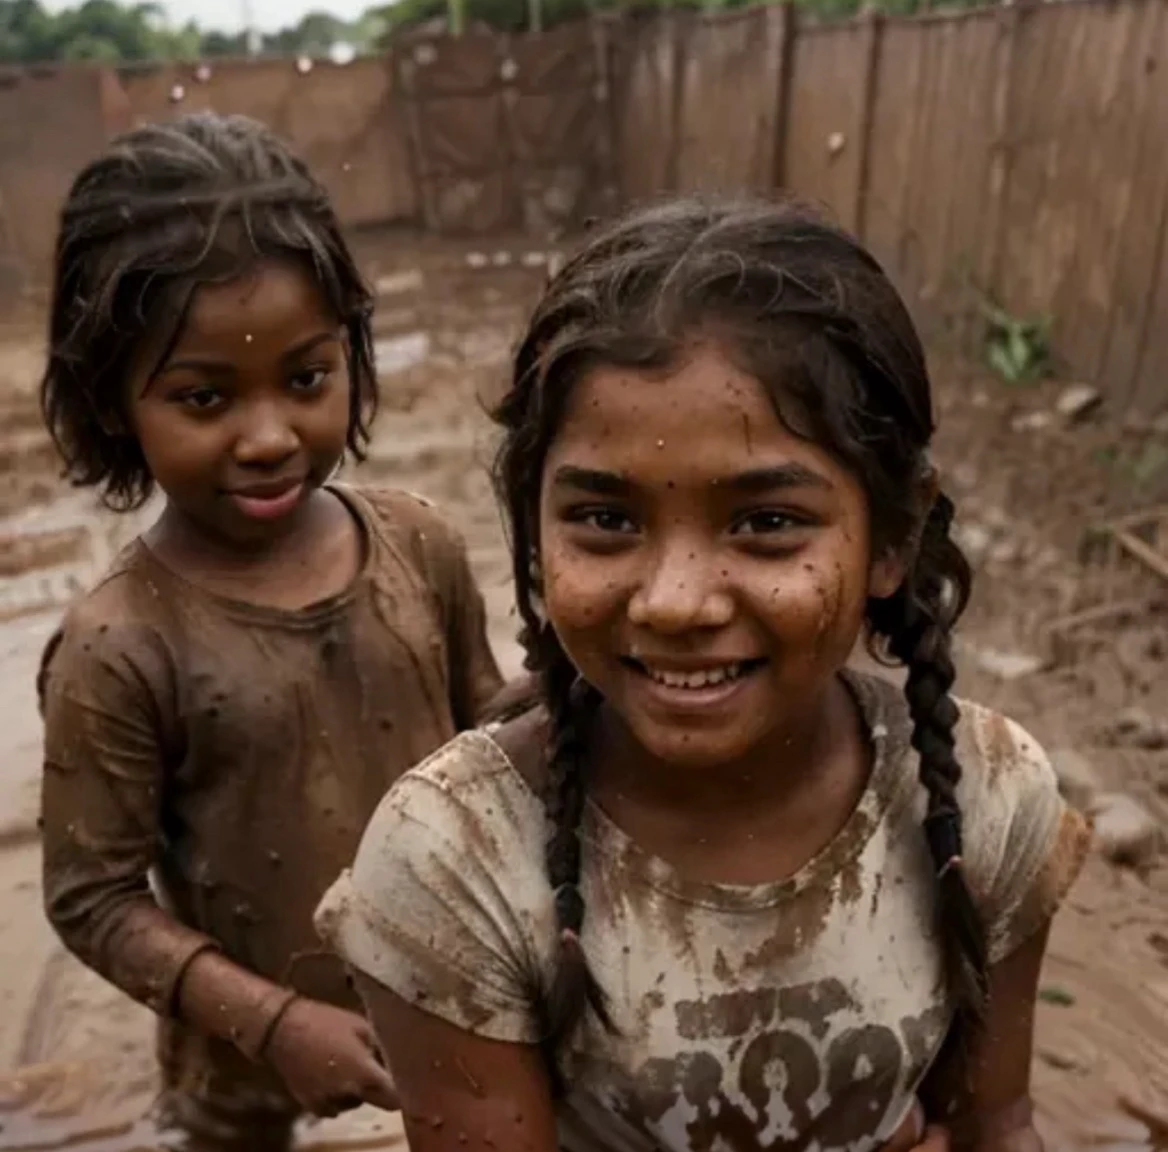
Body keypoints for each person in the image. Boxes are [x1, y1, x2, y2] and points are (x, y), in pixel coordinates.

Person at [315, 196, 1092, 1152]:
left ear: (894, 533)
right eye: (606, 518)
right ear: (531, 526)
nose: (675, 602)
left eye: (766, 522)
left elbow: (996, 1123)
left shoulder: (985, 797)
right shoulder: (457, 860)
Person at [37, 111, 503, 1151]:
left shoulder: (418, 547)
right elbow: (91, 896)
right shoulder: (121, 643)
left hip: (454, 1003)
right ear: (115, 403)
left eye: (306, 378)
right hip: (238, 1070)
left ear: (353, 351)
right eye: (203, 397)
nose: (267, 437)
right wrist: (275, 1022)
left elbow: (492, 742)